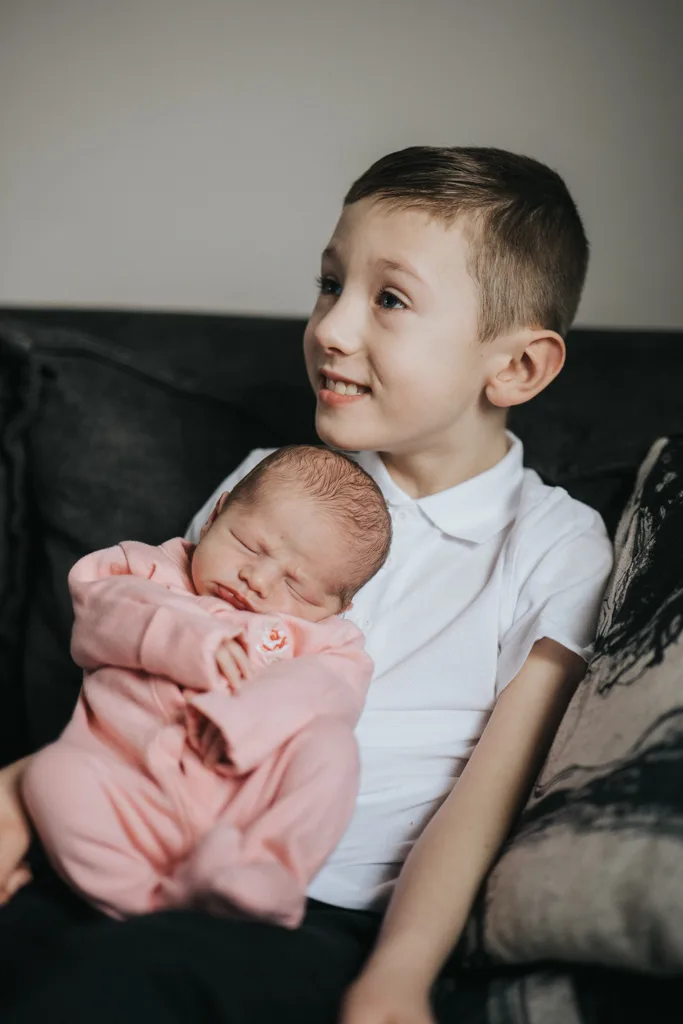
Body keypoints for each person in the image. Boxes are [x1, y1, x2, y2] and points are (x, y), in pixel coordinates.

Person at [0, 146, 613, 1024]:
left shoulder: (556, 545)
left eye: (388, 298)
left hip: (308, 905)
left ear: (514, 367)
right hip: (129, 823)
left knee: (113, 989)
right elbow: (150, 653)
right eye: (330, 285)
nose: (331, 326)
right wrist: (25, 787)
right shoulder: (274, 479)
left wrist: (398, 975)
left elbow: (490, 797)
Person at [21, 445, 389, 925]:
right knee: (52, 775)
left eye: (296, 586)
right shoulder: (144, 571)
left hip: (242, 806)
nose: (256, 579)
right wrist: (192, 641)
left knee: (332, 747)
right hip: (128, 789)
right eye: (249, 546)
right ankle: (150, 900)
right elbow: (101, 615)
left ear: (337, 609)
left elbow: (328, 695)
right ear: (217, 514)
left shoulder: (329, 645)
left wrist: (243, 721)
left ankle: (266, 871)